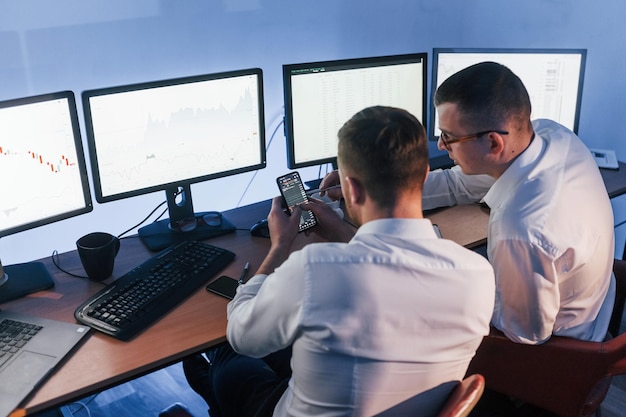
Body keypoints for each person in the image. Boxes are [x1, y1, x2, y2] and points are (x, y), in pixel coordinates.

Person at [183, 106, 495, 417]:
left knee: (229, 361)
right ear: (425, 174)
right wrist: (343, 233)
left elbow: (243, 336)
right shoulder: (478, 274)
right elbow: (392, 268)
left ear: (351, 188)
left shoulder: (314, 270)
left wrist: (279, 246)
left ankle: (212, 386)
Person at [321, 62, 616, 345]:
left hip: (560, 353)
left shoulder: (521, 228)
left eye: (449, 137)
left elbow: (526, 334)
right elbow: (458, 183)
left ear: (492, 143)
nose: (440, 145)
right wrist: (377, 181)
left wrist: (448, 280)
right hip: (592, 300)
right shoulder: (552, 135)